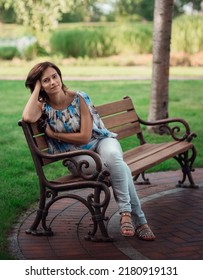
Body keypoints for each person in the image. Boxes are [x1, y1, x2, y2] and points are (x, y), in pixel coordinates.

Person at [22, 61, 155, 241]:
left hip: (100, 140)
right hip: (76, 156)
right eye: (46, 81)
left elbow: (85, 136)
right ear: (41, 87)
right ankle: (140, 220)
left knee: (114, 158)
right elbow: (27, 117)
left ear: (60, 76)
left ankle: (125, 214)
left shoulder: (79, 97)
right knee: (118, 167)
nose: (53, 82)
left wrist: (54, 134)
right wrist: (36, 86)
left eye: (55, 76)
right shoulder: (41, 106)